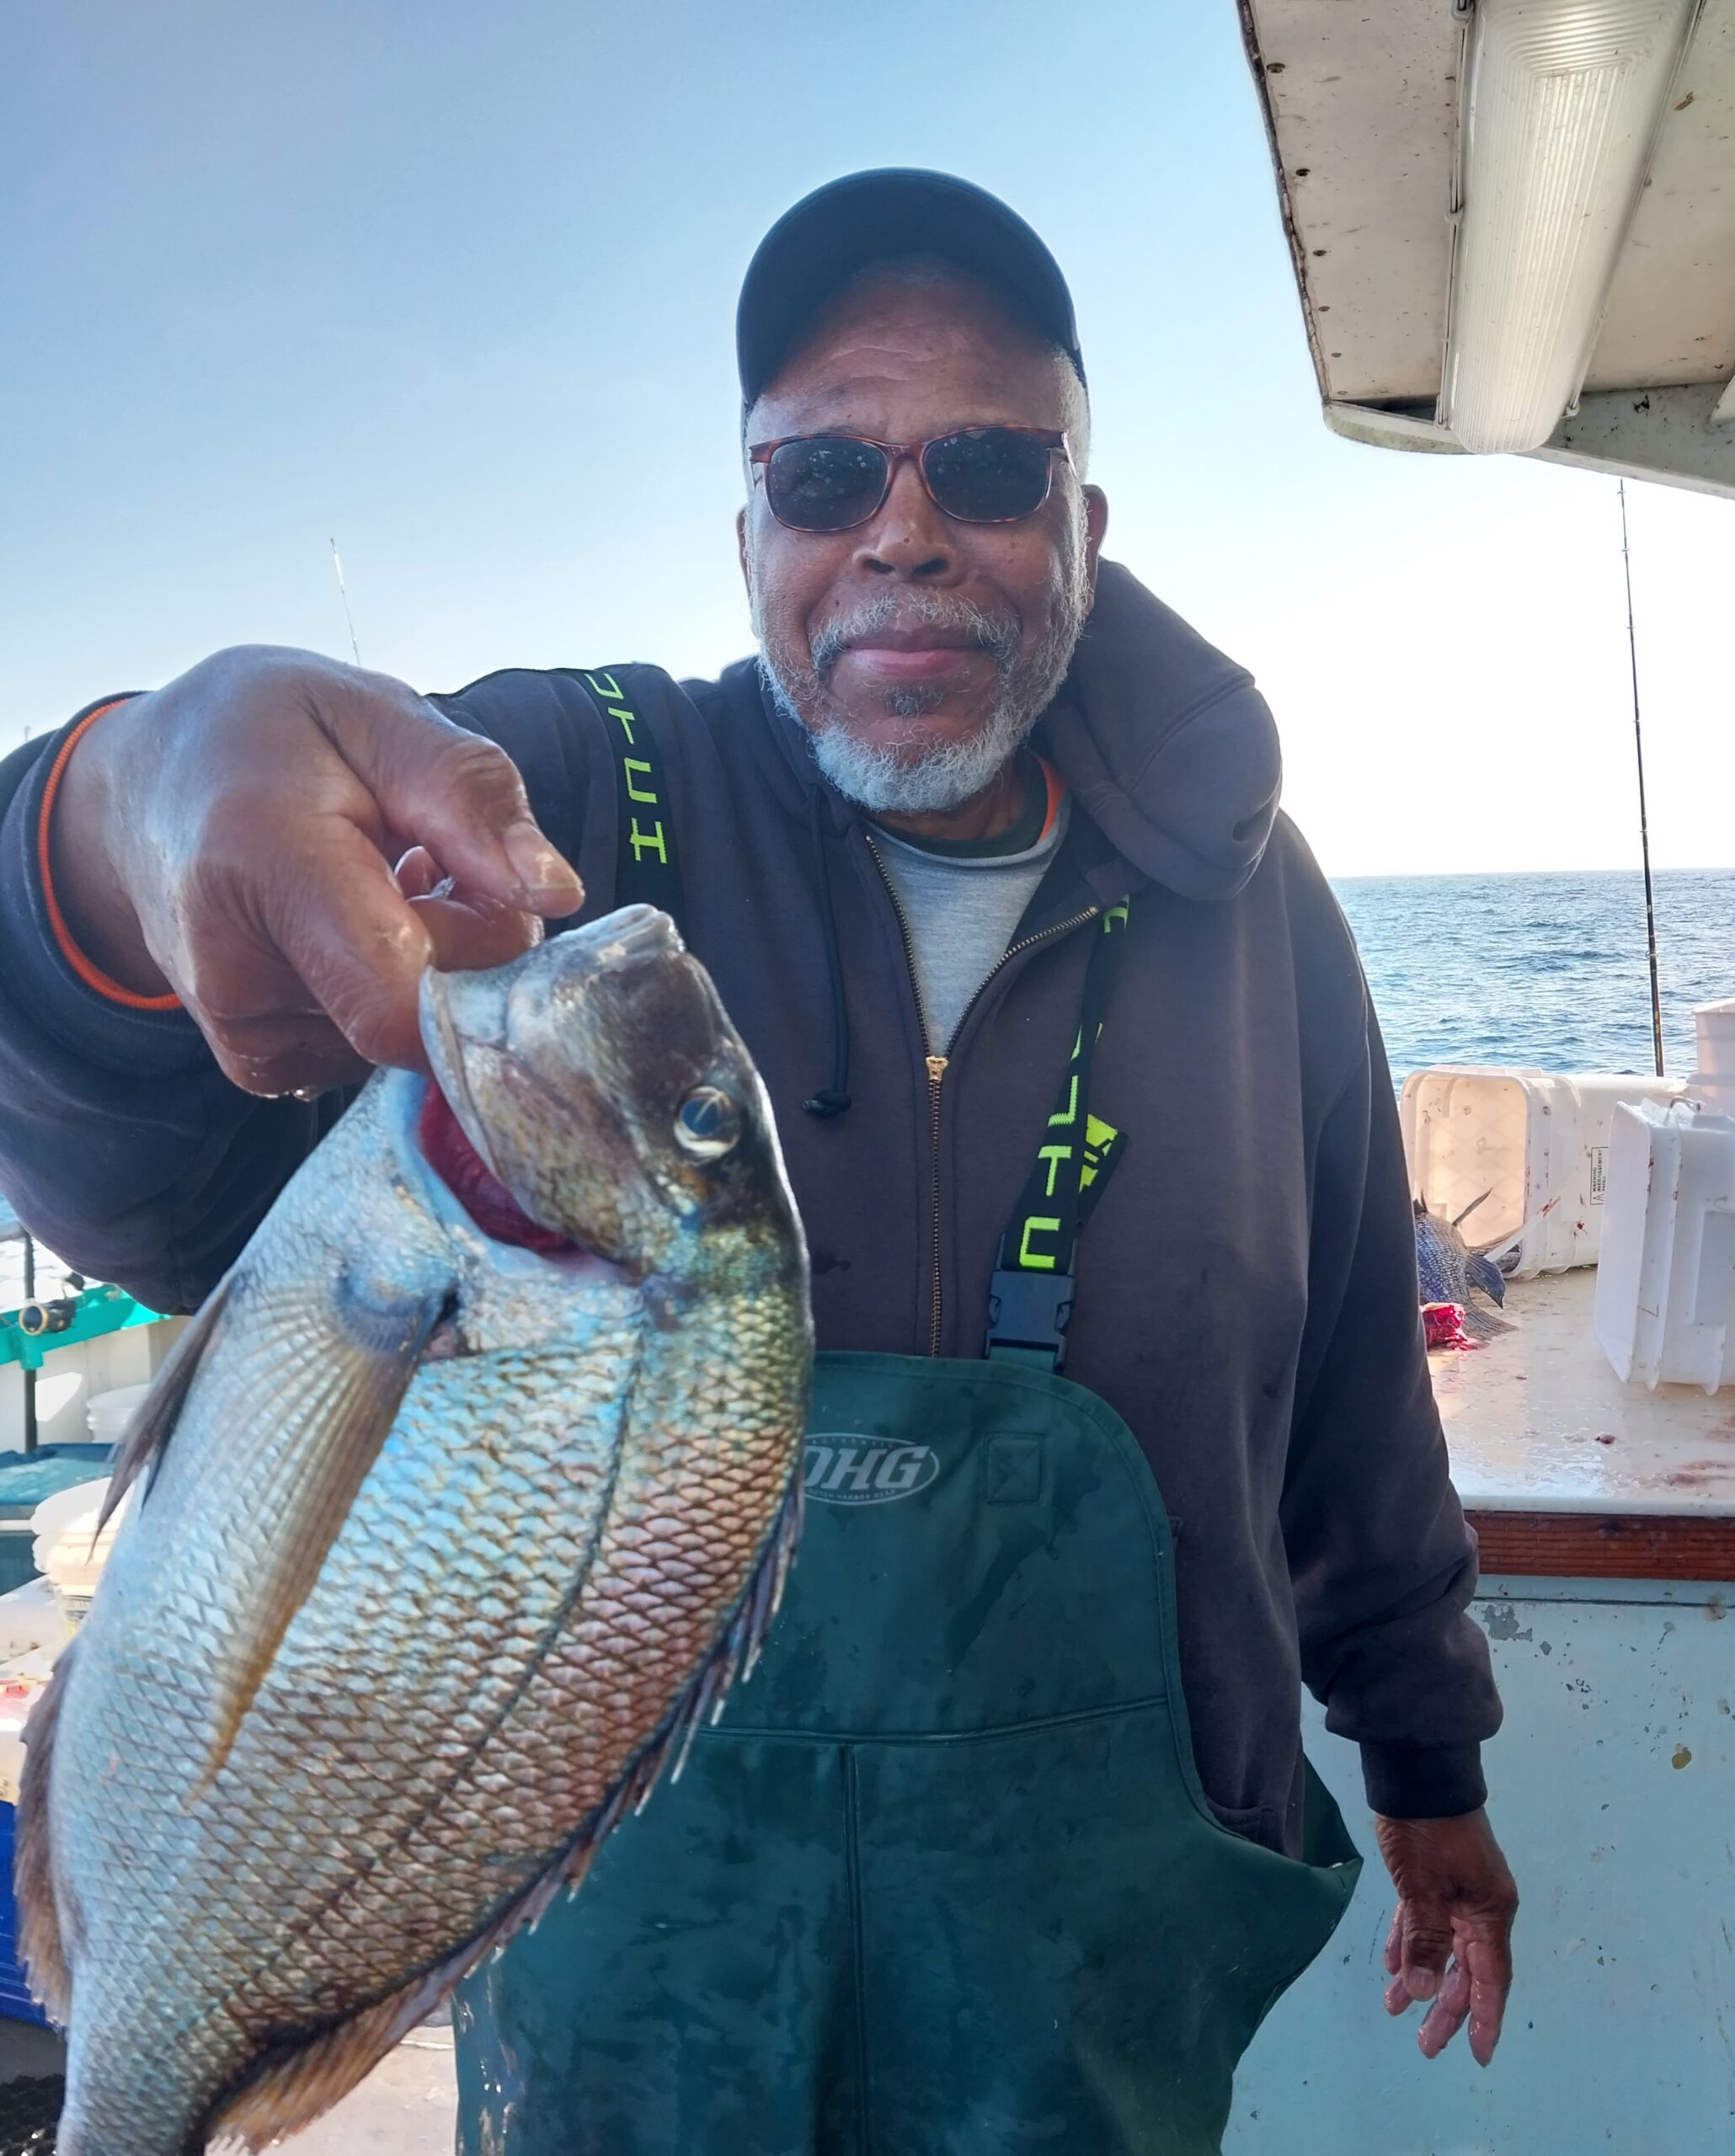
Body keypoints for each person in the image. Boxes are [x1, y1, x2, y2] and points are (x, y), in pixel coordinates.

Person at [0, 170, 1516, 2154]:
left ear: (1081, 523)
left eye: (985, 465)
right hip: (616, 1986)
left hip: (1094, 1991)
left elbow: (1345, 1401)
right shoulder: (543, 799)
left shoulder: (1259, 913)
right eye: (822, 476)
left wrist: (1427, 1761)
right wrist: (140, 784)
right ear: (747, 530)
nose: (902, 530)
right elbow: (142, 1158)